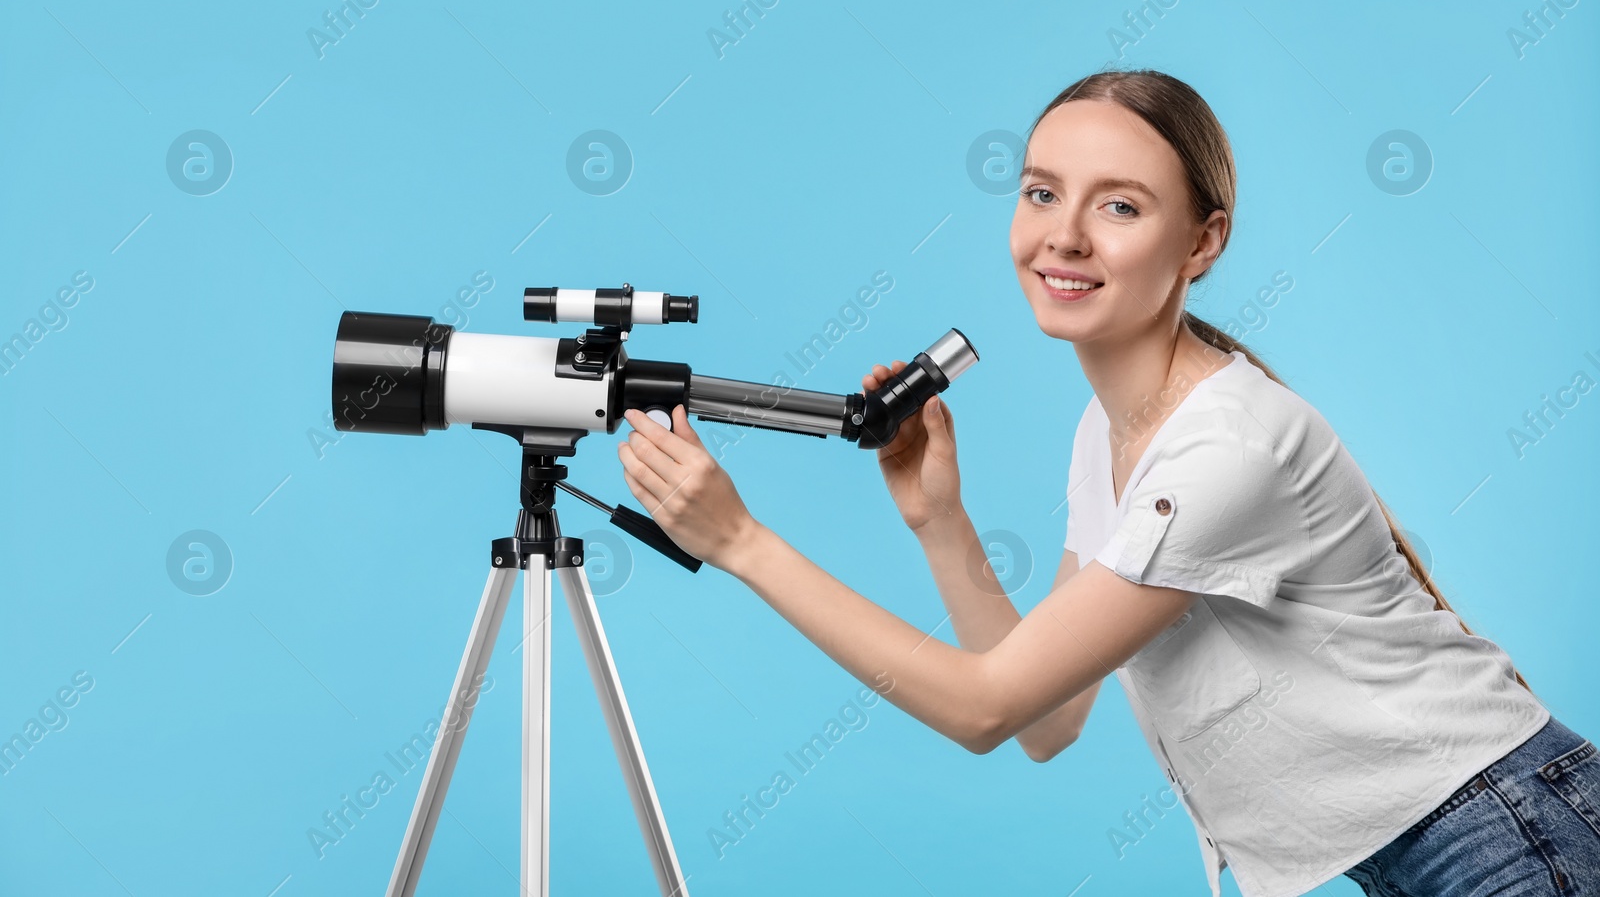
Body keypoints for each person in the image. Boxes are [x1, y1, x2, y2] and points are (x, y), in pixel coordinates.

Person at [615, 68, 1600, 896]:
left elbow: (985, 706)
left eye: (1118, 205)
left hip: (1506, 825)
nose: (1065, 235)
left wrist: (740, 542)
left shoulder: (1224, 450)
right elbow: (1047, 719)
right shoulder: (1111, 428)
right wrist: (939, 519)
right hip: (1450, 835)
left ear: (1201, 242)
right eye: (1041, 191)